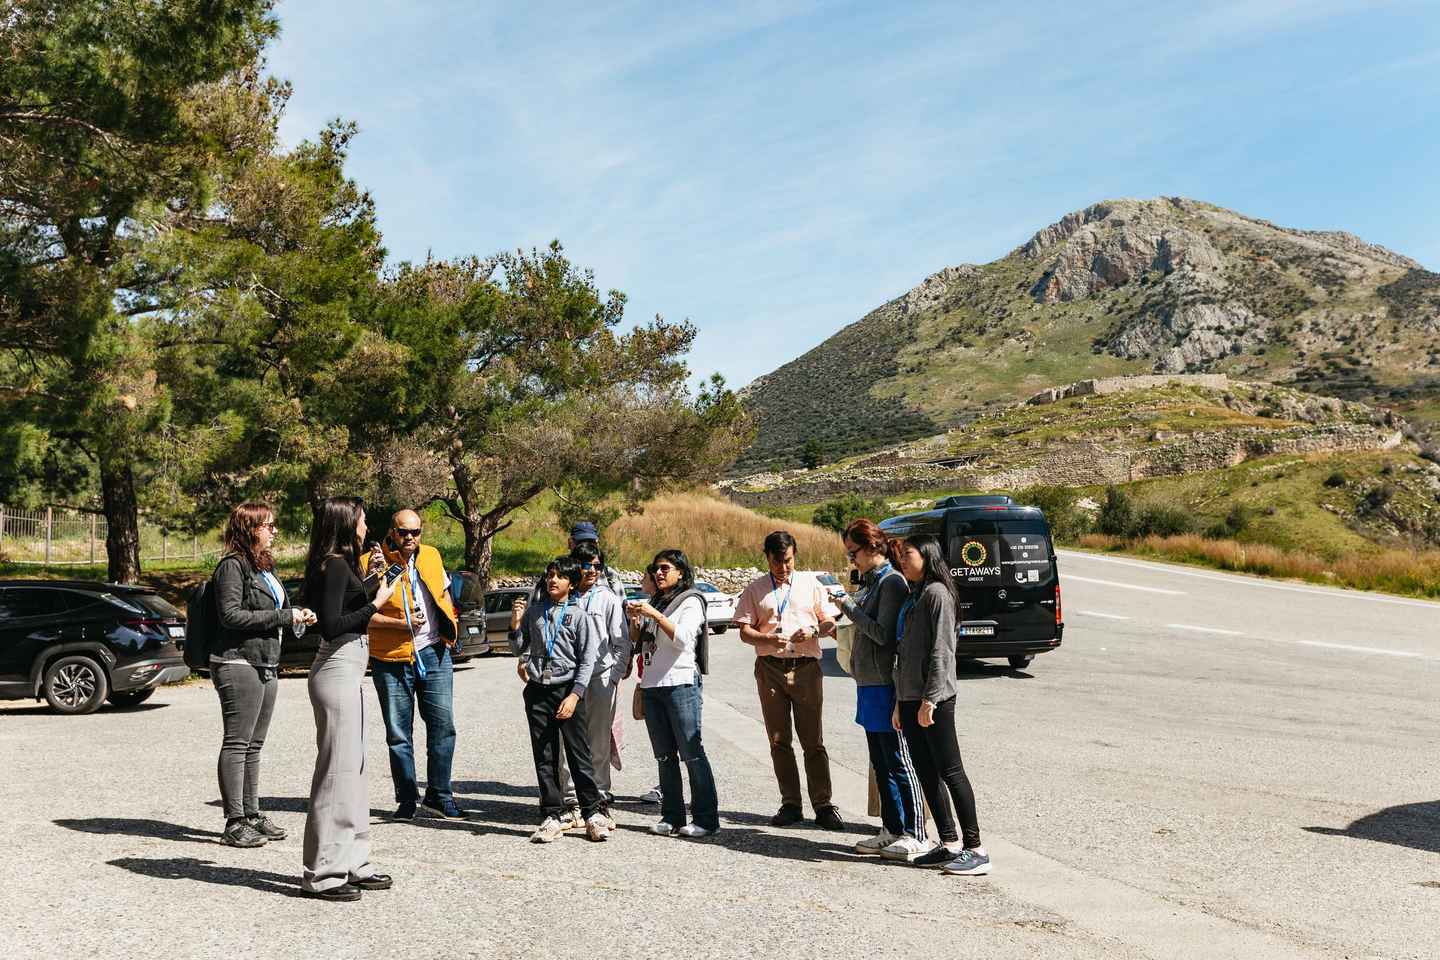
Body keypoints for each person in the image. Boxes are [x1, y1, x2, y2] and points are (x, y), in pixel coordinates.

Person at [301, 497, 399, 902]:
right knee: (336, 774)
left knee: (354, 772)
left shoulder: (343, 565)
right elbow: (331, 625)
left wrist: (374, 581)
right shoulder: (334, 565)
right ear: (346, 522)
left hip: (350, 670)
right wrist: (376, 603)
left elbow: (346, 606)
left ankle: (355, 862)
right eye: (362, 519)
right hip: (337, 668)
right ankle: (323, 873)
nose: (366, 526)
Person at [210, 502, 316, 848]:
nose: (274, 531)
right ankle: (234, 822)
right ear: (249, 528)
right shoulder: (232, 566)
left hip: (266, 661)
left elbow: (274, 609)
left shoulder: (264, 566)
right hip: (238, 661)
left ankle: (252, 814)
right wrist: (284, 617)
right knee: (237, 742)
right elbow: (230, 615)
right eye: (268, 525)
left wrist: (297, 614)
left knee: (254, 745)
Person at [891, 534, 991, 876]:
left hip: (934, 700)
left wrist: (930, 699)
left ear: (927, 556)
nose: (902, 561)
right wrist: (899, 702)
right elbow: (905, 652)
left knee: (950, 770)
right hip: (909, 698)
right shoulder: (916, 593)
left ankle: (975, 849)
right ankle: (948, 843)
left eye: (908, 555)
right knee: (926, 771)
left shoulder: (937, 594)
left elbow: (941, 652)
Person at [733, 530, 842, 829]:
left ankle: (823, 805)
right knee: (779, 740)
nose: (783, 567)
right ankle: (791, 804)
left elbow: (829, 621)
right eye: (777, 562)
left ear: (795, 556)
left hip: (806, 667)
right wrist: (766, 639)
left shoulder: (811, 584)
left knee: (813, 740)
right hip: (770, 669)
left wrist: (815, 630)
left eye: (789, 561)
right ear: (767, 558)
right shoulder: (755, 589)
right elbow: (744, 631)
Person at [835, 519, 930, 861]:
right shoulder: (873, 582)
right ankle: (892, 828)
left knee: (898, 759)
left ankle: (916, 833)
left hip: (885, 683)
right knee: (880, 762)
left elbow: (882, 634)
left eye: (854, 553)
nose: (852, 560)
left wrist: (847, 607)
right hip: (867, 682)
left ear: (873, 547)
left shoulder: (891, 582)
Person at [361, 509, 462, 821]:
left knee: (443, 728)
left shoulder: (431, 556)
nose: (409, 538)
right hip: (391, 658)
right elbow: (361, 615)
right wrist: (401, 623)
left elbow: (443, 594)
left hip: (433, 653)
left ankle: (439, 796)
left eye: (415, 532)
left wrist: (451, 627)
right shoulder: (370, 563)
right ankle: (406, 799)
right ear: (392, 531)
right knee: (398, 734)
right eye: (403, 532)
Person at [510, 556, 609, 843]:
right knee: (545, 756)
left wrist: (575, 695)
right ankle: (552, 814)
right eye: (550, 575)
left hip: (567, 691)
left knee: (579, 755)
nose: (553, 580)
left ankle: (592, 813)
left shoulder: (579, 616)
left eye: (560, 576)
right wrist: (515, 624)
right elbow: (518, 648)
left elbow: (587, 660)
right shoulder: (535, 611)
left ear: (572, 583)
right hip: (538, 690)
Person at [629, 549, 719, 838]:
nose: (659, 573)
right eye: (656, 568)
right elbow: (639, 642)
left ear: (681, 572)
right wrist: (635, 622)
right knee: (664, 756)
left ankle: (706, 819)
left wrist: (654, 614)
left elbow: (682, 638)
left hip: (680, 683)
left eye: (665, 568)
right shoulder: (656, 601)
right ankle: (672, 816)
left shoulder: (691, 600)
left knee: (692, 754)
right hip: (652, 684)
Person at [556, 540, 632, 829]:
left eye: (597, 566)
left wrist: (612, 677)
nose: (592, 571)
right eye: (586, 565)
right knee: (567, 740)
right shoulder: (564, 597)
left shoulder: (608, 599)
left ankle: (599, 797)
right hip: (567, 678)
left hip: (600, 679)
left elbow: (622, 642)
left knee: (598, 741)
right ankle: (571, 799)